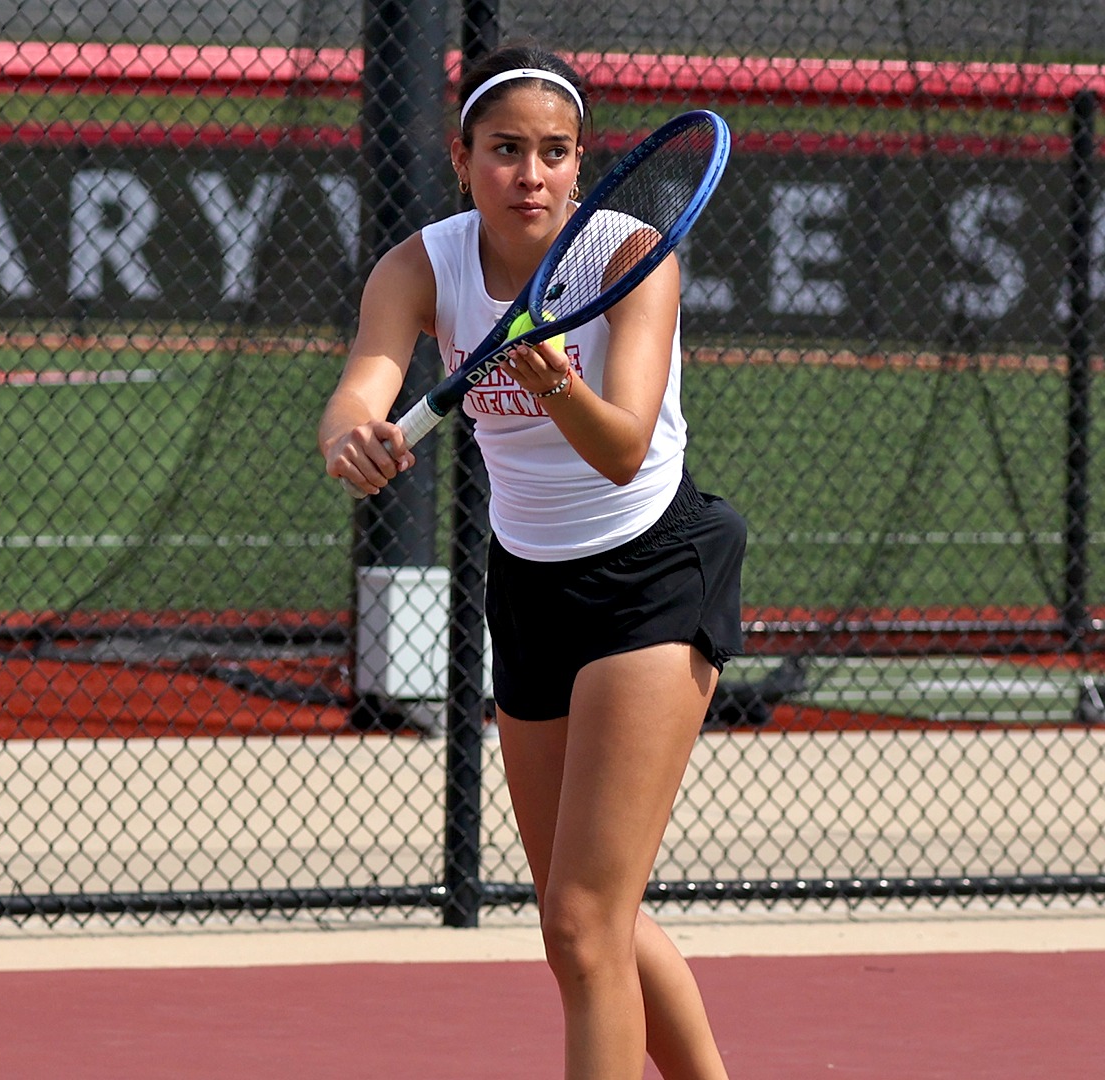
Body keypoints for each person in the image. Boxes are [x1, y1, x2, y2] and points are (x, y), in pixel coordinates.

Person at [318, 43, 743, 1080]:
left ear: (582, 161)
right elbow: (361, 387)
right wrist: (352, 437)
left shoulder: (631, 256)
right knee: (584, 914)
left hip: (654, 570)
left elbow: (622, 447)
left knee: (582, 918)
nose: (532, 175)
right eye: (505, 151)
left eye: (555, 152)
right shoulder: (421, 265)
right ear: (462, 159)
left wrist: (550, 376)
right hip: (531, 586)